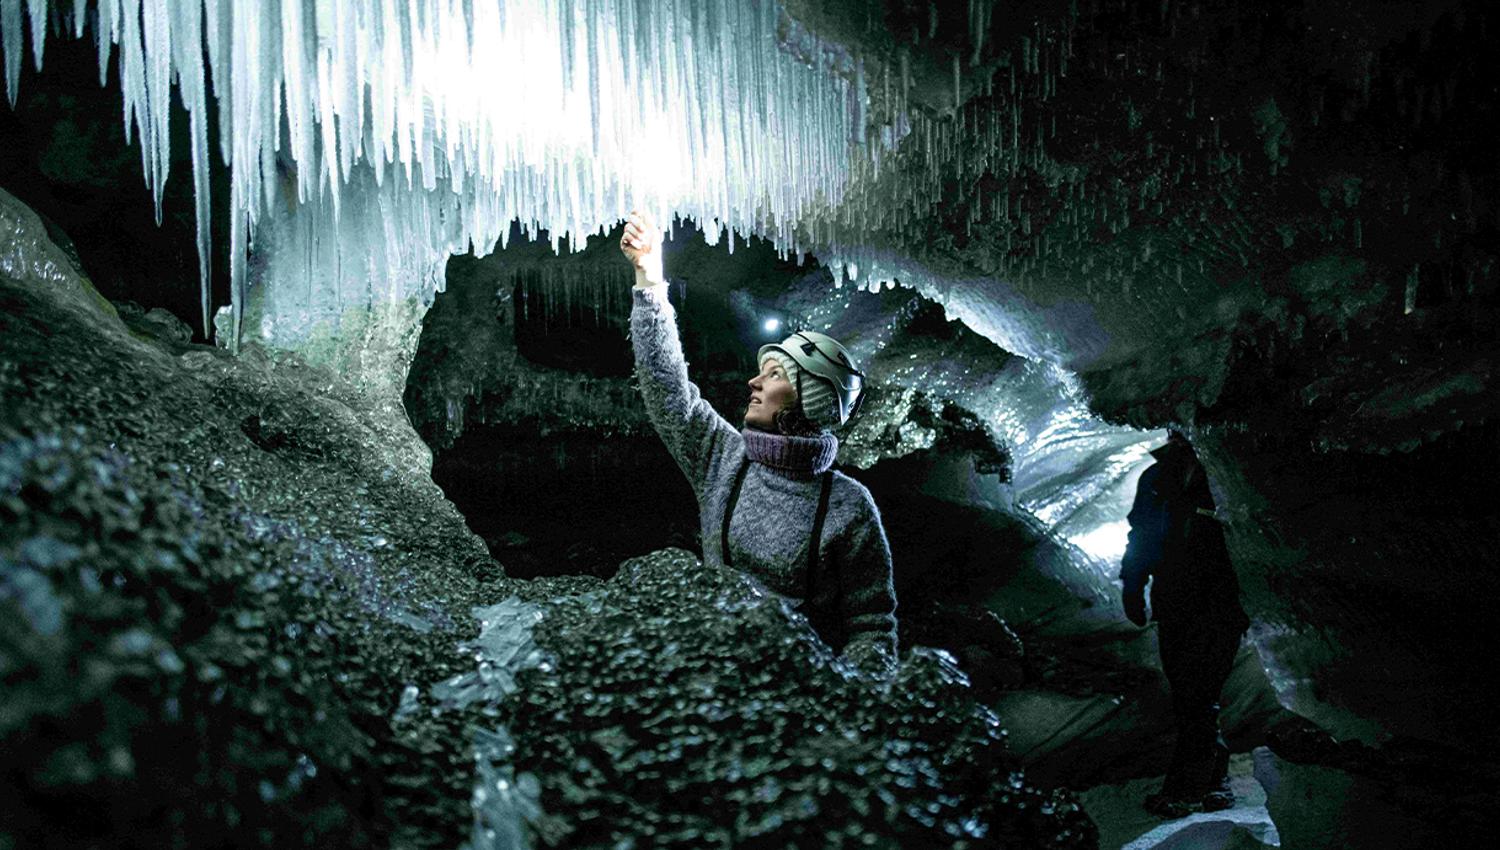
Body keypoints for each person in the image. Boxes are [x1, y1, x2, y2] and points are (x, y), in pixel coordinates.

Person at [620, 210, 898, 676]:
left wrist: (851, 706)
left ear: (808, 400)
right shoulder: (725, 461)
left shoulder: (849, 507)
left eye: (773, 376)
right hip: (714, 678)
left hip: (798, 696)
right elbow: (669, 393)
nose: (754, 381)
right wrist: (649, 279)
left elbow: (871, 626)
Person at [1120, 430, 1249, 817]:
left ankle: (1186, 788)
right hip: (1174, 600)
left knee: (1199, 693)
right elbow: (1140, 534)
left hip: (1221, 603)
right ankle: (1214, 780)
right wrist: (1133, 584)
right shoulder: (1157, 477)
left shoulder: (1228, 469)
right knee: (1189, 695)